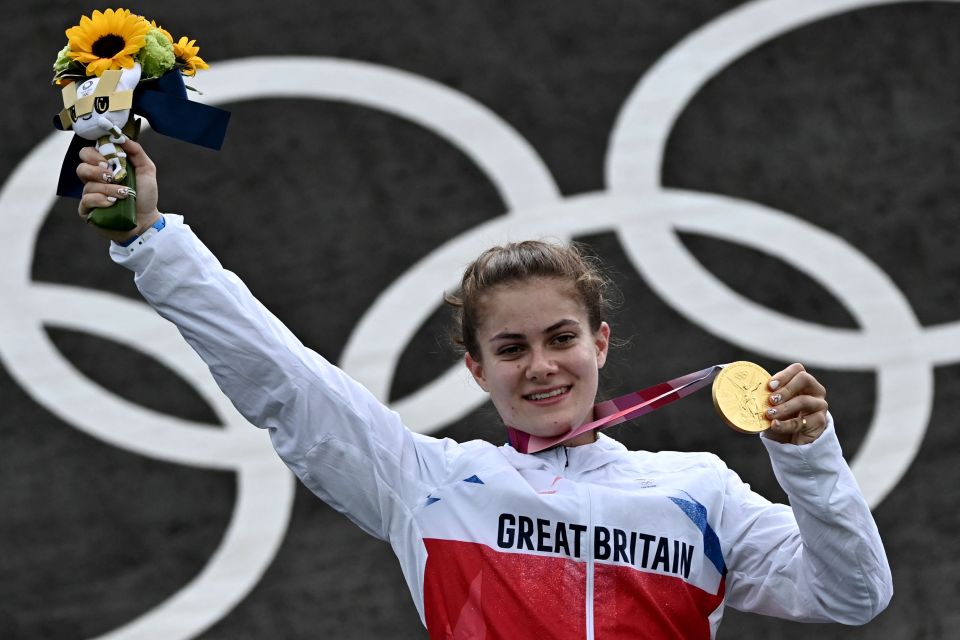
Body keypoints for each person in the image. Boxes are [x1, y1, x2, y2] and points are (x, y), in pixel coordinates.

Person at [76, 140, 892, 639]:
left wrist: (809, 458)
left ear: (599, 344)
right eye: (511, 348)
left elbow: (854, 595)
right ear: (476, 367)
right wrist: (152, 242)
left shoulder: (700, 493)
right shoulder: (427, 485)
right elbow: (282, 378)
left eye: (561, 339)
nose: (541, 366)